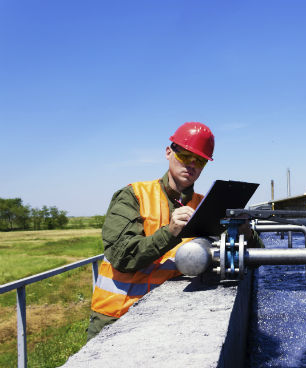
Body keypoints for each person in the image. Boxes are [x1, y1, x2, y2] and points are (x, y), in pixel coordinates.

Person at [87, 122, 262, 340]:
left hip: (170, 317)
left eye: (200, 161)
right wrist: (169, 232)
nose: (191, 165)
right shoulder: (133, 195)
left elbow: (254, 262)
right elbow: (121, 256)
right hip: (117, 318)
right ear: (169, 152)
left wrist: (246, 233)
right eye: (185, 156)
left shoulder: (205, 206)